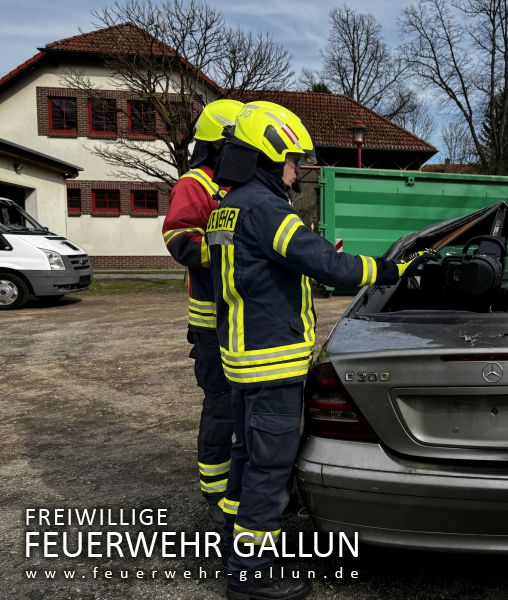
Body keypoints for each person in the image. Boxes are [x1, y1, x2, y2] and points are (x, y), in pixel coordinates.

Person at [206, 100, 437, 600]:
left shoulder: (228, 205)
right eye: (293, 160)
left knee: (246, 461)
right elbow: (327, 265)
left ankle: (233, 549)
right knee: (269, 470)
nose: (297, 170)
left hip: (242, 361)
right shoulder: (266, 208)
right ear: (270, 154)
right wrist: (391, 270)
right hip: (271, 363)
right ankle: (252, 576)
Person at [162, 99, 244, 528]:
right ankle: (215, 490)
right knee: (222, 407)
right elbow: (179, 241)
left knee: (246, 408)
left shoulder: (240, 185)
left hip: (244, 320)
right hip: (212, 323)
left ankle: (242, 484)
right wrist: (235, 249)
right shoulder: (195, 184)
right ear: (218, 144)